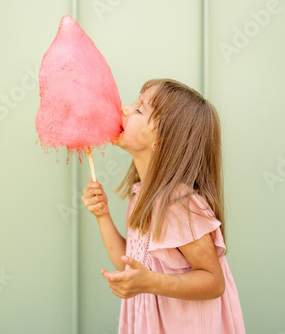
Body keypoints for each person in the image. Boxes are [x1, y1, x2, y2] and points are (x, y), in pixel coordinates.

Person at [81, 78, 246, 333]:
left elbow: (214, 282)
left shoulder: (178, 204)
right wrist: (102, 215)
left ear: (163, 139)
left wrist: (151, 282)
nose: (124, 109)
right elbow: (128, 263)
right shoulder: (142, 195)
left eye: (139, 109)